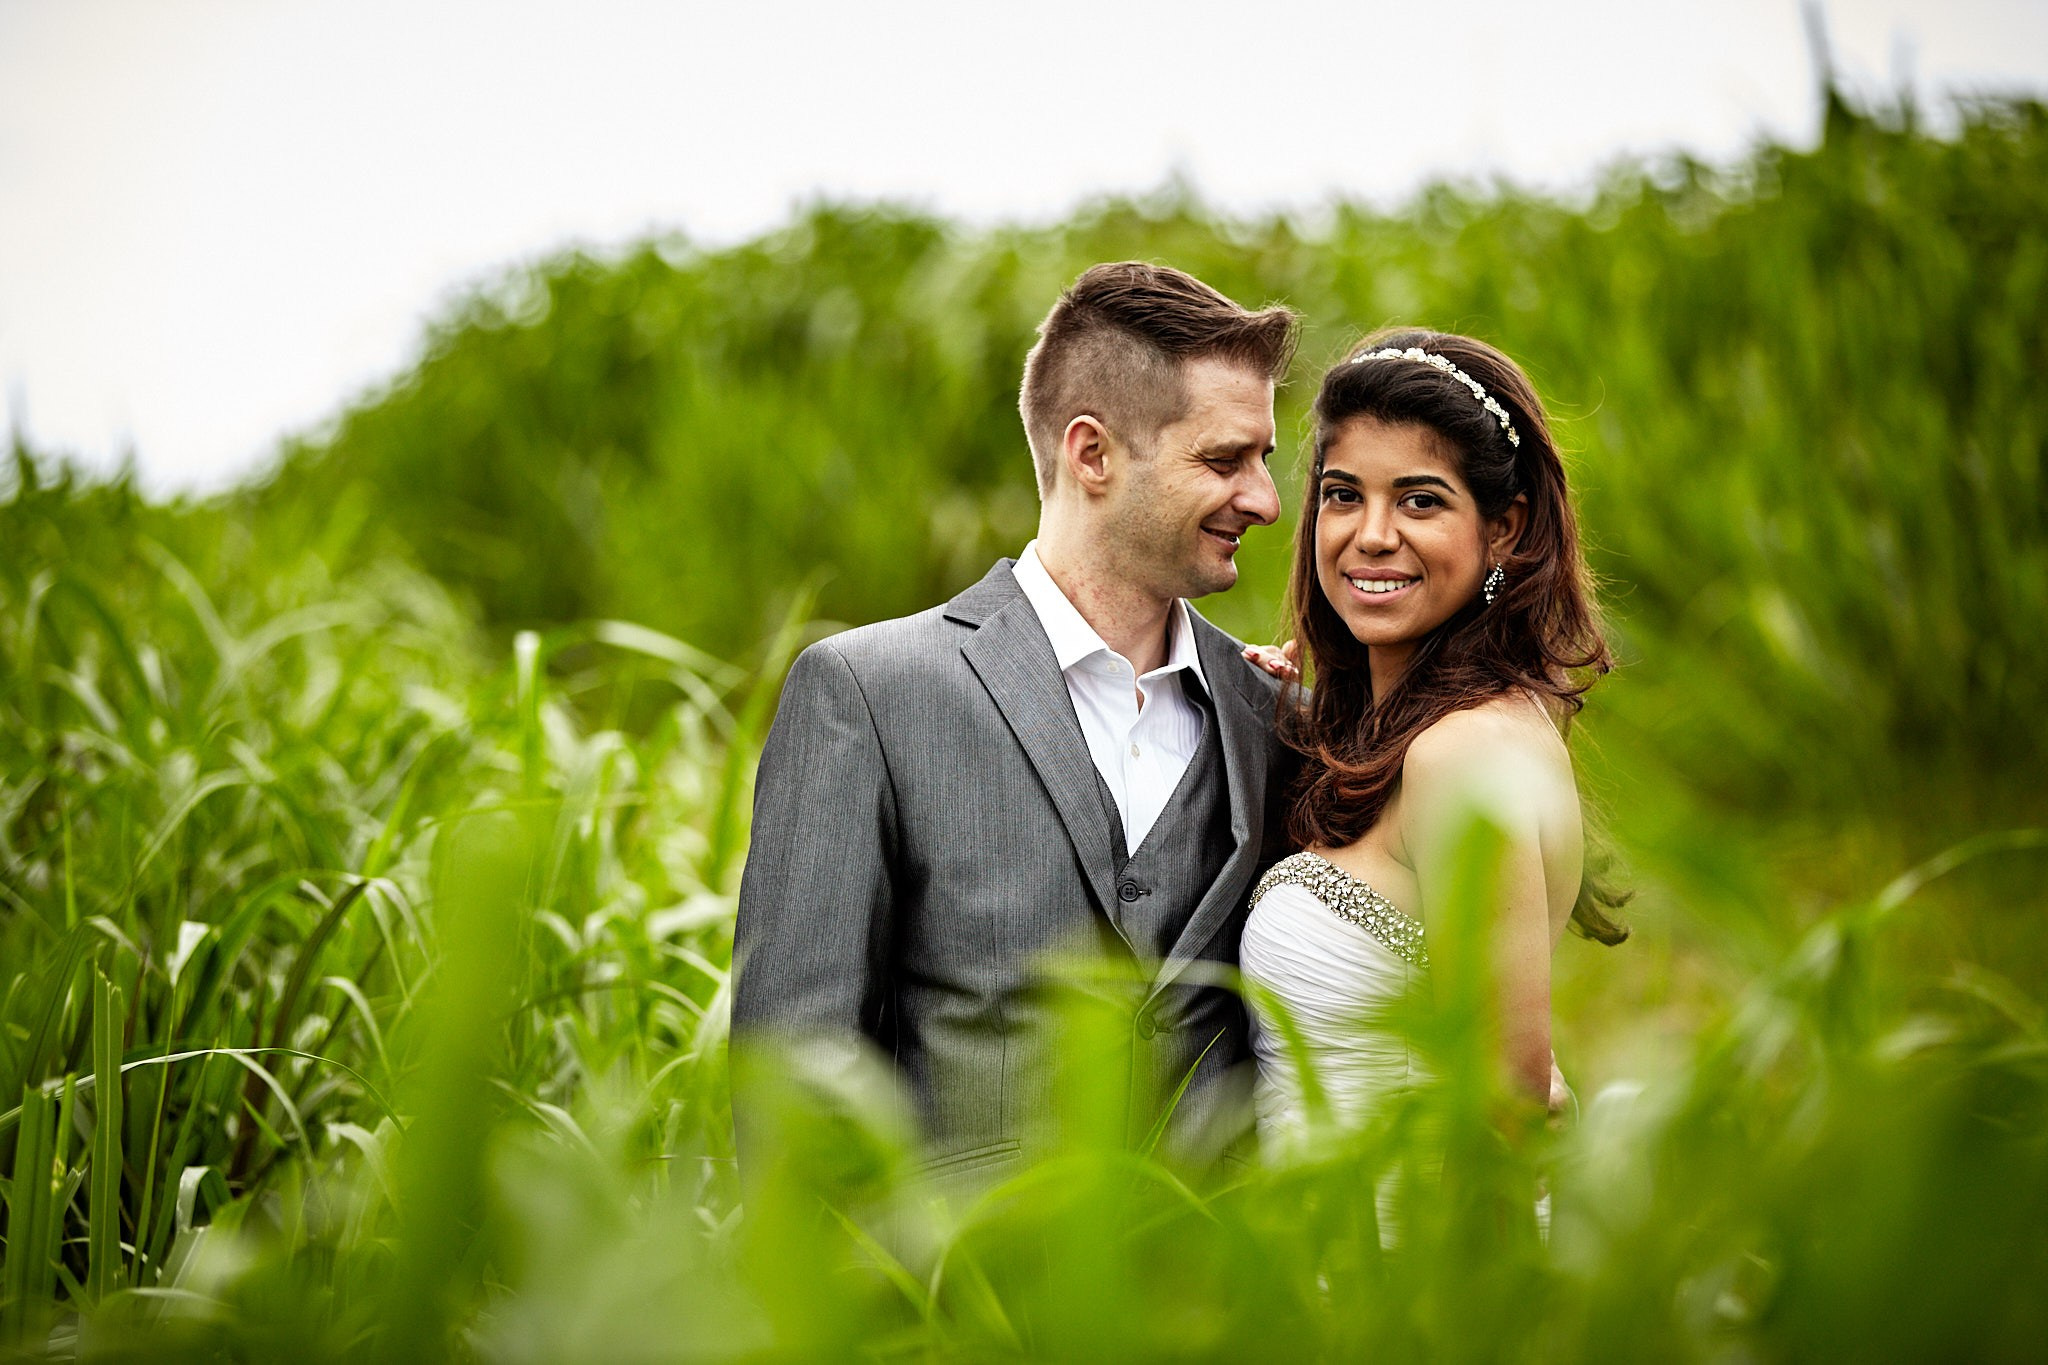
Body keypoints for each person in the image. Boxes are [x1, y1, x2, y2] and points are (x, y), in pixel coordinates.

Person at [733, 262, 1301, 1187]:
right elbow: (793, 1092)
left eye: (1263, 461)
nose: (1266, 501)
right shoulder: (867, 694)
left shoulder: (1275, 716)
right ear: (1092, 454)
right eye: (1223, 459)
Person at [1239, 329, 1625, 1160]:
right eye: (1344, 495)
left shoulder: (1462, 755)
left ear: (1504, 530)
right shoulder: (1426, 728)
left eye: (1420, 500)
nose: (1372, 535)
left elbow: (1505, 1120)